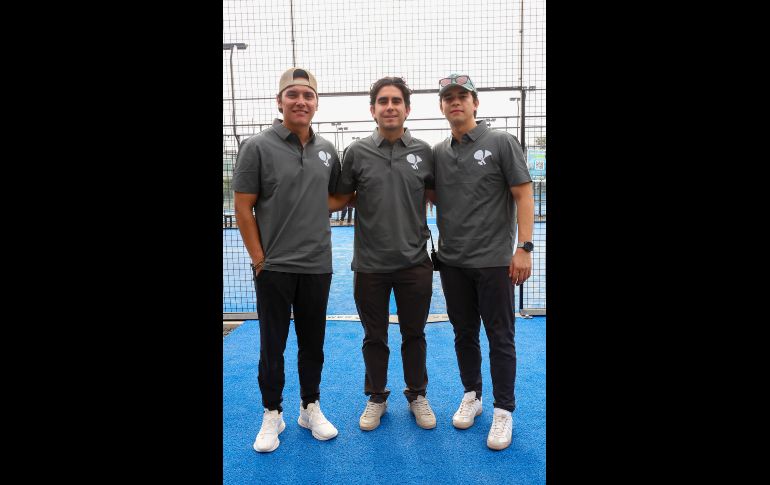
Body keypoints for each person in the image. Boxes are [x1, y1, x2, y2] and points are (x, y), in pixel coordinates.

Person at [232, 67, 340, 453]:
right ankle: (271, 413)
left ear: (316, 103)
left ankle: (310, 406)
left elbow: (335, 197)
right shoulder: (257, 147)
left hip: (317, 265)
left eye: (307, 96)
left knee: (313, 344)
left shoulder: (328, 150)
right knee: (271, 345)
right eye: (292, 95)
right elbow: (243, 207)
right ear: (280, 102)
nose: (301, 102)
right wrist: (260, 259)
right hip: (274, 268)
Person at [430, 73, 534, 451]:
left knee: (500, 337)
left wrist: (524, 247)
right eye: (448, 97)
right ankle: (471, 394)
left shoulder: (502, 142)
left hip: (494, 262)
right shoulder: (438, 152)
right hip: (452, 263)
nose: (455, 102)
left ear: (475, 103)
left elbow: (523, 195)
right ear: (441, 106)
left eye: (462, 96)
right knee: (463, 334)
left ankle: (503, 409)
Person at [329, 76, 437, 431]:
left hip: (414, 264)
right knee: (374, 337)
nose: (390, 107)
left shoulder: (425, 152)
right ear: (372, 109)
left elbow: (442, 197)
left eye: (396, 101)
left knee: (414, 334)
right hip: (370, 266)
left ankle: (417, 394)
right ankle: (376, 397)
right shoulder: (357, 152)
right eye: (383, 101)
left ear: (407, 108)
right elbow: (342, 197)